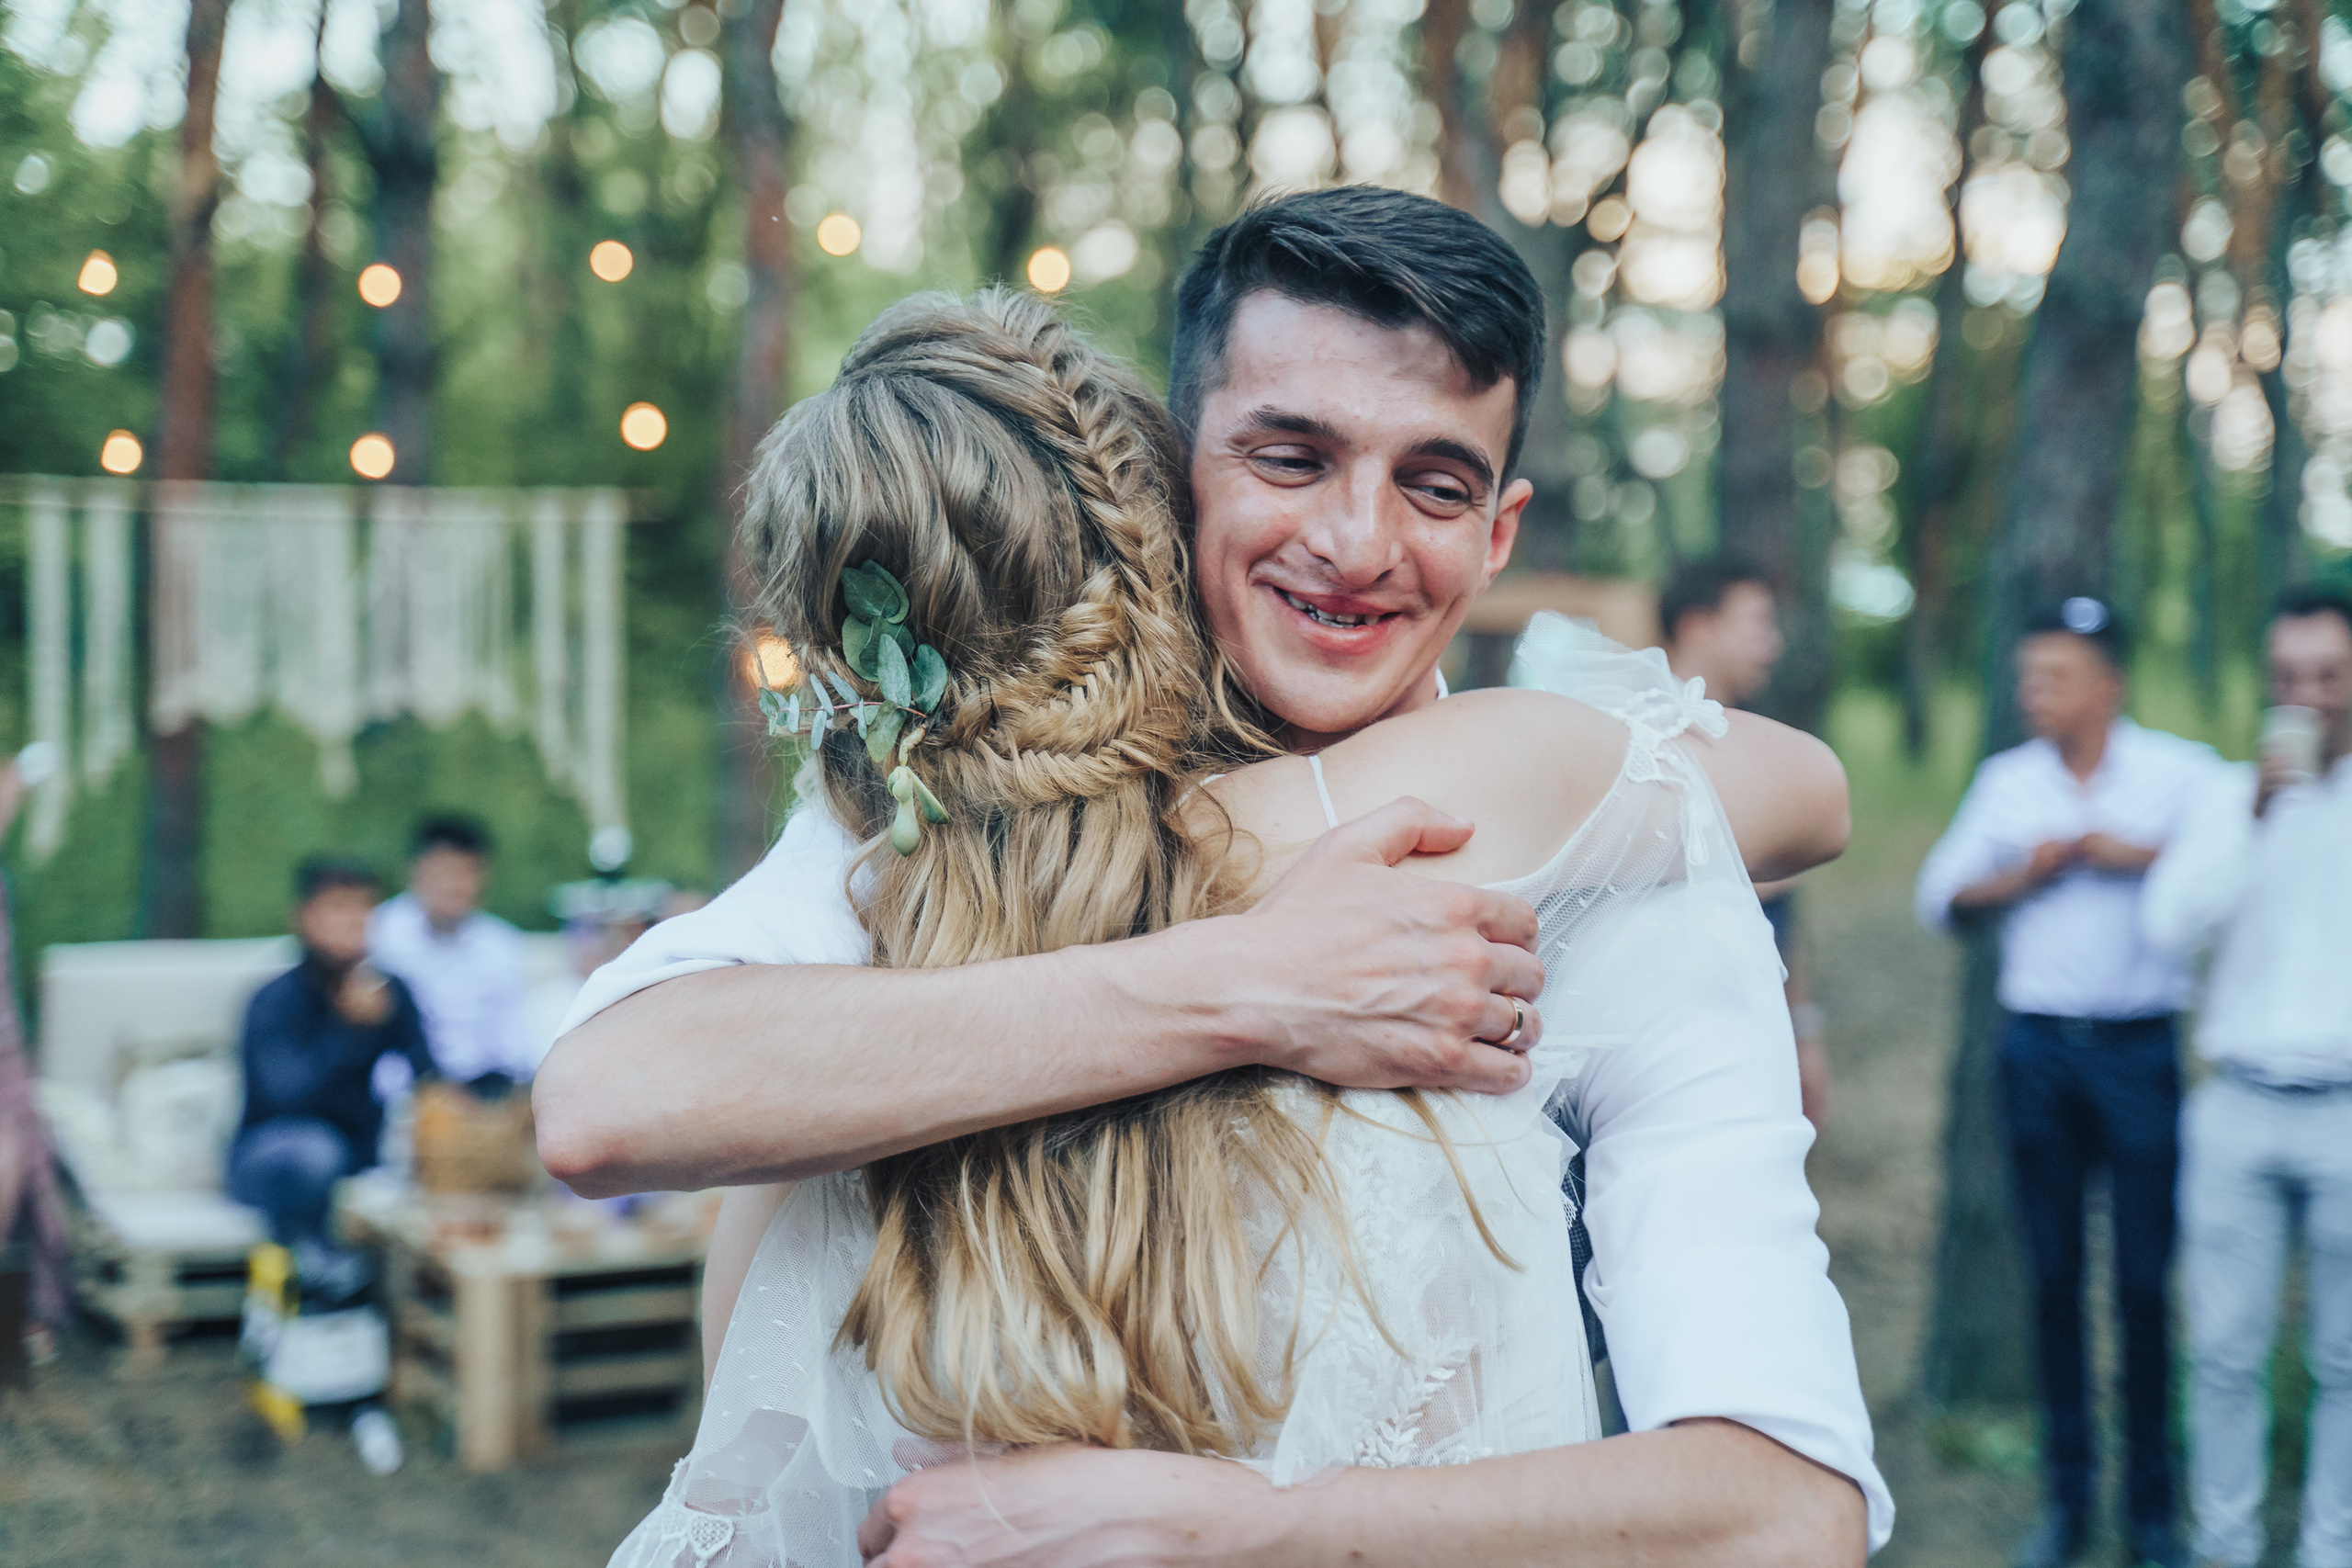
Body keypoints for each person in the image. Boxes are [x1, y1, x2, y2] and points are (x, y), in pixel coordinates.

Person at [543, 189, 1887, 1565]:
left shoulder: (1612, 856)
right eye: (1293, 458)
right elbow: (610, 1099)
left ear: (1497, 529)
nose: (1359, 545)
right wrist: (1246, 974)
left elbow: (1786, 1513)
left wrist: (1250, 1534)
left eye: (1434, 484)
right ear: (1179, 478)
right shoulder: (942, 809)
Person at [1915, 597, 2221, 1568]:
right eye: (2026, 677)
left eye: (2052, 677)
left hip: (2139, 1055)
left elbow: (2238, 862)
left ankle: (2153, 1510)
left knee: (2140, 1284)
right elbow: (1939, 896)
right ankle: (2066, 1501)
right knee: (2051, 1279)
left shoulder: (2181, 778)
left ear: (2107, 685)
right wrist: (2023, 876)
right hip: (2038, 1055)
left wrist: (2141, 859)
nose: (2032, 693)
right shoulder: (2008, 784)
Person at [2143, 585, 2352, 1568]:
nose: (2304, 697)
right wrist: (2255, 818)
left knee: (2346, 1365)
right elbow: (2167, 927)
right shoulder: (2229, 798)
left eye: (2326, 676)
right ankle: (2222, 1549)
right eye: (2286, 678)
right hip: (2236, 1106)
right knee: (2223, 1356)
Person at [1658, 555, 1830, 1130]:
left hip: (1754, 1028)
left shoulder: (1752, 745)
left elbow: (1785, 914)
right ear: (1697, 626)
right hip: (1670, 1051)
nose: (1772, 644)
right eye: (1758, 623)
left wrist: (1801, 1034)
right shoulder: (1637, 741)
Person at [231, 858, 438, 1294]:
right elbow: (286, 1100)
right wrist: (349, 1033)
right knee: (314, 1151)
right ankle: (314, 1272)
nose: (354, 922)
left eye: (364, 909)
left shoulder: (388, 993)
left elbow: (429, 1074)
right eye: (339, 908)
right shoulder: (273, 1001)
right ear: (304, 917)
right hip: (272, 1156)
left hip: (358, 1153)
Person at [368, 815, 533, 1094]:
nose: (454, 886)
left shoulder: (501, 944)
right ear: (414, 872)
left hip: (483, 1093)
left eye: (465, 873)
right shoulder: (376, 936)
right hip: (402, 1097)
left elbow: (513, 1043)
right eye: (443, 872)